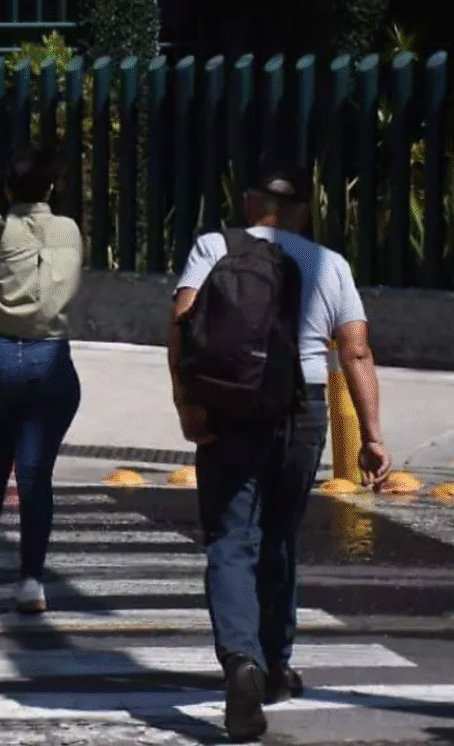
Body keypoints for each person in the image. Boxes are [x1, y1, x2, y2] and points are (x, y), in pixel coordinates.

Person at [168, 166, 392, 741]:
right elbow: (357, 352)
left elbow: (182, 321)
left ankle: (241, 660)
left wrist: (187, 405)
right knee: (279, 533)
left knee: (229, 536)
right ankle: (276, 662)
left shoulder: (214, 246)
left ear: (249, 203)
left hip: (227, 406)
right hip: (303, 409)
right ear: (306, 211)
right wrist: (371, 435)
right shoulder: (331, 263)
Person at [0, 145, 83, 615]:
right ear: (51, 188)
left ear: (8, 188)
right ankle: (31, 580)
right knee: (35, 473)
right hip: (51, 358)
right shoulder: (70, 230)